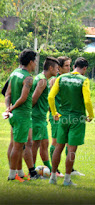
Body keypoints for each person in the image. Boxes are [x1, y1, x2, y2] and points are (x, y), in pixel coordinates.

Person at [48, 57, 94, 186]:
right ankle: (67, 179)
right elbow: (87, 101)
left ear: (74, 66)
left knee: (59, 147)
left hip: (63, 117)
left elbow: (51, 96)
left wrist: (54, 113)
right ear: (84, 68)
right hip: (77, 118)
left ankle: (53, 177)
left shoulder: (61, 78)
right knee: (71, 149)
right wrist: (91, 115)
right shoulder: (84, 80)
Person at [4, 49, 40, 180]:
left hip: (16, 115)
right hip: (22, 115)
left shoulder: (14, 73)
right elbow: (23, 98)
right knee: (17, 146)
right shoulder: (28, 78)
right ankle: (12, 175)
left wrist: (8, 108)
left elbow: (7, 94)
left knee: (26, 142)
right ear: (31, 62)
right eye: (35, 61)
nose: (36, 64)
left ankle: (20, 173)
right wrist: (12, 108)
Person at [31, 57, 59, 172]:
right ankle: (31, 170)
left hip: (41, 118)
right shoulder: (42, 81)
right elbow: (33, 99)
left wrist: (52, 111)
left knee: (44, 143)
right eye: (57, 68)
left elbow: (43, 100)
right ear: (51, 68)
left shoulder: (42, 79)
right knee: (35, 145)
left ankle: (52, 170)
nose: (58, 71)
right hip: (37, 118)